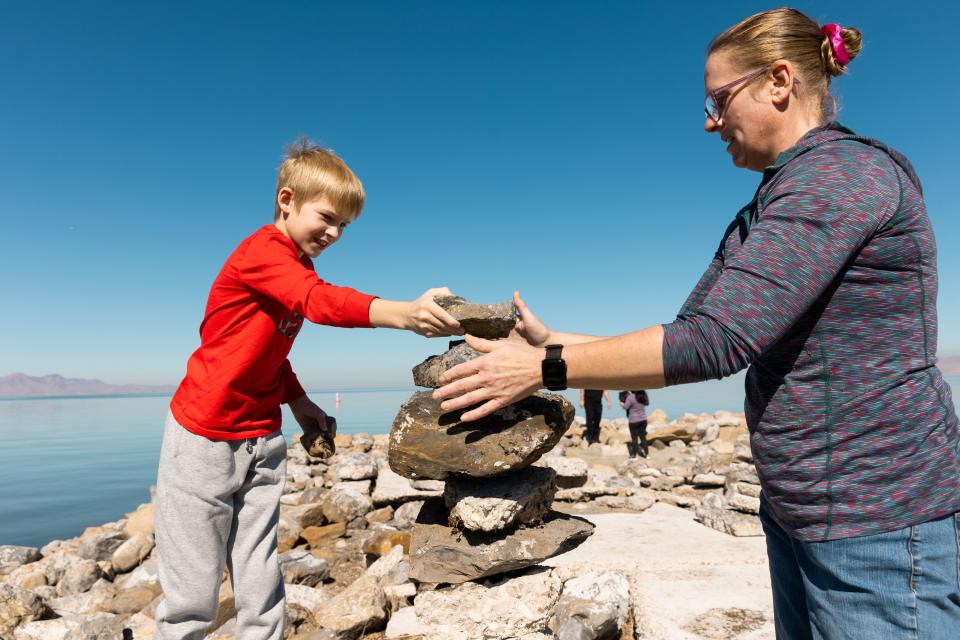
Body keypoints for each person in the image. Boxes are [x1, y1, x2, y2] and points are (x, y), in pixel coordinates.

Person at [434, 8, 960, 638]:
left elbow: (712, 345)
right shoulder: (766, 205)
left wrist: (543, 369)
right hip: (802, 512)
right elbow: (689, 331)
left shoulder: (838, 178)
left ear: (779, 81)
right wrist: (549, 341)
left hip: (876, 517)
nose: (710, 122)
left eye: (718, 99)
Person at [155, 139, 462, 640]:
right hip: (203, 436)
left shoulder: (298, 268)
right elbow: (317, 303)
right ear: (286, 200)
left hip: (261, 437)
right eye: (327, 216)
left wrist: (298, 402)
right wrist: (404, 313)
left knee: (258, 577)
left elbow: (269, 349)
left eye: (344, 225)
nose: (335, 232)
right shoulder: (262, 253)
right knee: (192, 592)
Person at [621, 390, 649, 458]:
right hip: (643, 420)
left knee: (634, 439)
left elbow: (625, 407)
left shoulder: (630, 397)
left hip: (633, 421)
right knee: (643, 437)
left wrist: (622, 404)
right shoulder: (644, 394)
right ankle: (647, 454)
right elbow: (647, 403)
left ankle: (634, 455)